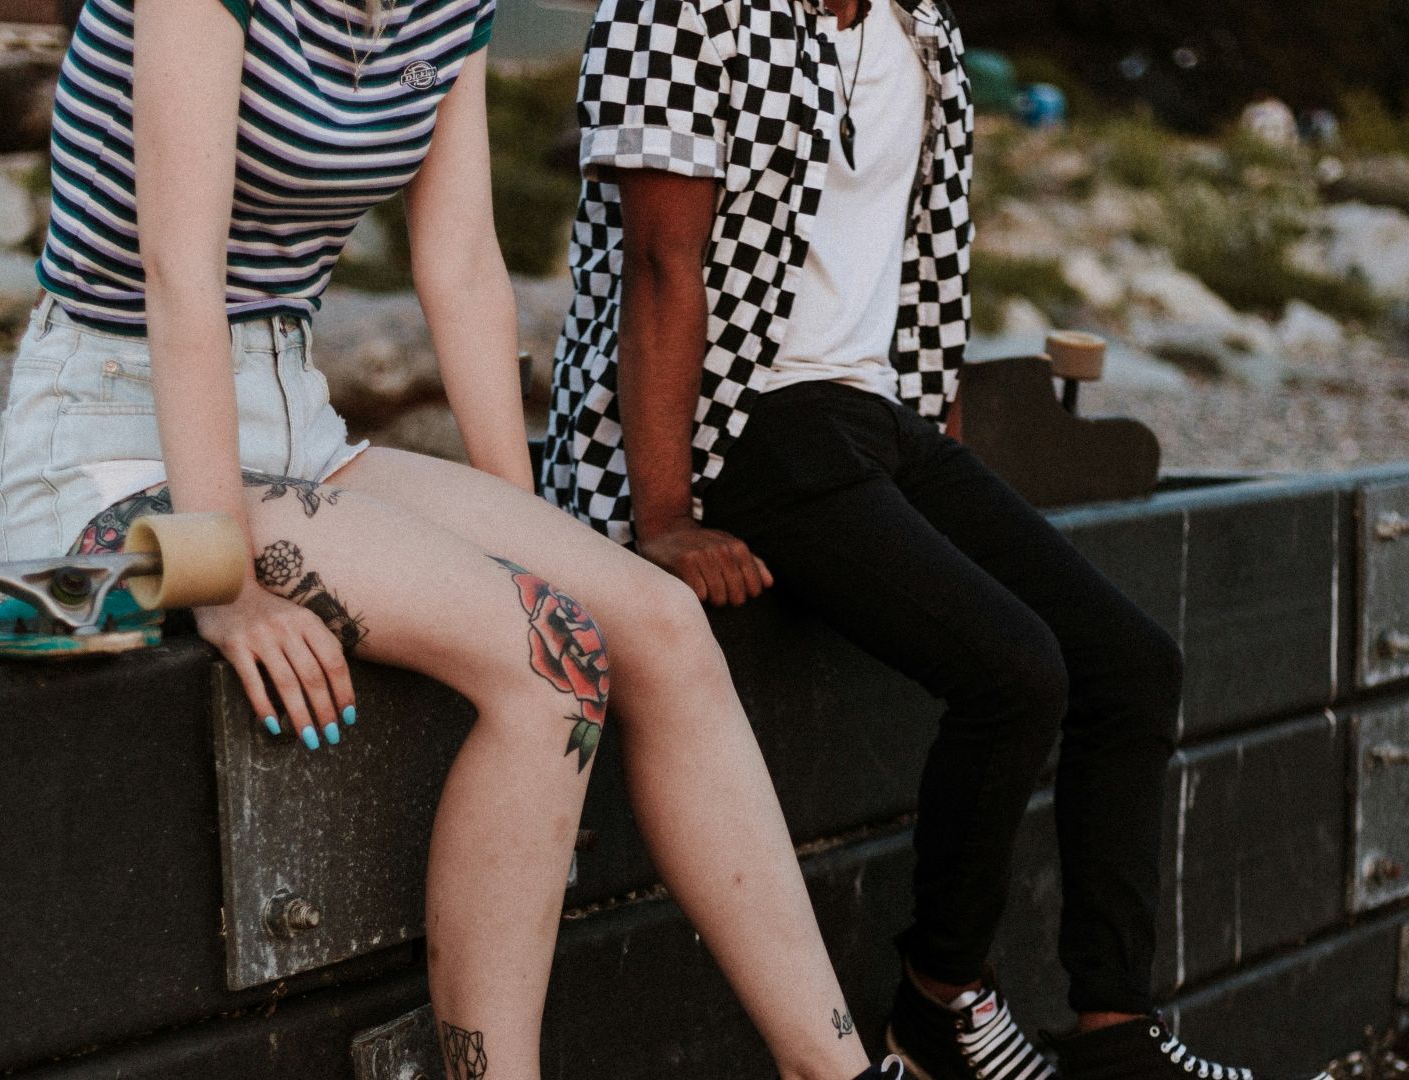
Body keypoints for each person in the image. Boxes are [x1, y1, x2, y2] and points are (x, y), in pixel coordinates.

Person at [0, 2, 903, 1078]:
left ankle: (832, 1069)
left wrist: (528, 528)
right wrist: (220, 572)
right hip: (113, 438)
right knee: (550, 659)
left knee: (655, 621)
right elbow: (178, 279)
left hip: (292, 419)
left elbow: (463, 260)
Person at [541, 3, 1334, 1080]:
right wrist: (667, 516)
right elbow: (660, 264)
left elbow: (921, 255)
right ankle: (940, 1003)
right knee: (1016, 670)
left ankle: (1116, 1037)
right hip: (742, 426)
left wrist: (939, 451)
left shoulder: (920, 30)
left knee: (1131, 665)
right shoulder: (679, 11)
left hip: (876, 419)